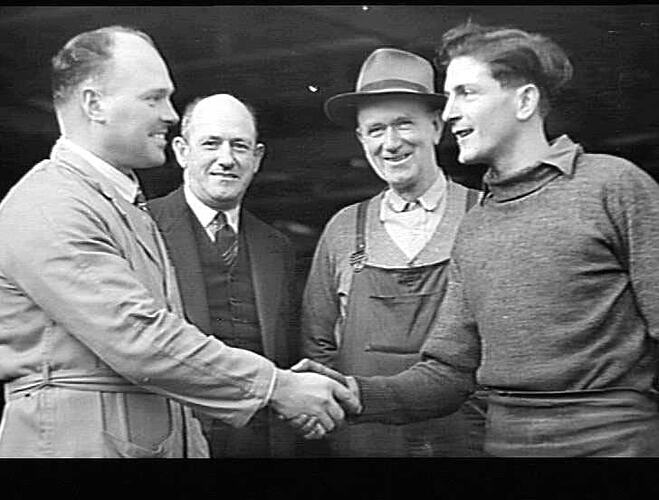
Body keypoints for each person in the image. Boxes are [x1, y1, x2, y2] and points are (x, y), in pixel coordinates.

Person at [294, 22, 659, 457]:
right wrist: (354, 392)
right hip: (504, 445)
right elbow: (449, 374)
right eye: (448, 98)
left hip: (616, 444)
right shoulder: (478, 224)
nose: (449, 113)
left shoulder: (614, 184)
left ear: (524, 100)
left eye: (466, 93)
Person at [0, 25, 358, 458]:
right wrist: (276, 386)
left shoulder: (118, 204)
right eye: (153, 98)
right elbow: (139, 339)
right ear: (94, 104)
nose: (170, 114)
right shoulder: (51, 204)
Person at [300, 47, 485, 457]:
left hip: (467, 440)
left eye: (404, 124)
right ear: (361, 138)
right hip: (365, 442)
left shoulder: (484, 216)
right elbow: (318, 345)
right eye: (376, 129)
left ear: (437, 127)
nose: (391, 143)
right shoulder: (342, 229)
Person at [148, 94, 299, 457]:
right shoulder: (142, 226)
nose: (226, 159)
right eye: (211, 144)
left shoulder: (276, 246)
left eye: (240, 146)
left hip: (262, 443)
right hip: (173, 439)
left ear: (257, 158)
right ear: (182, 151)